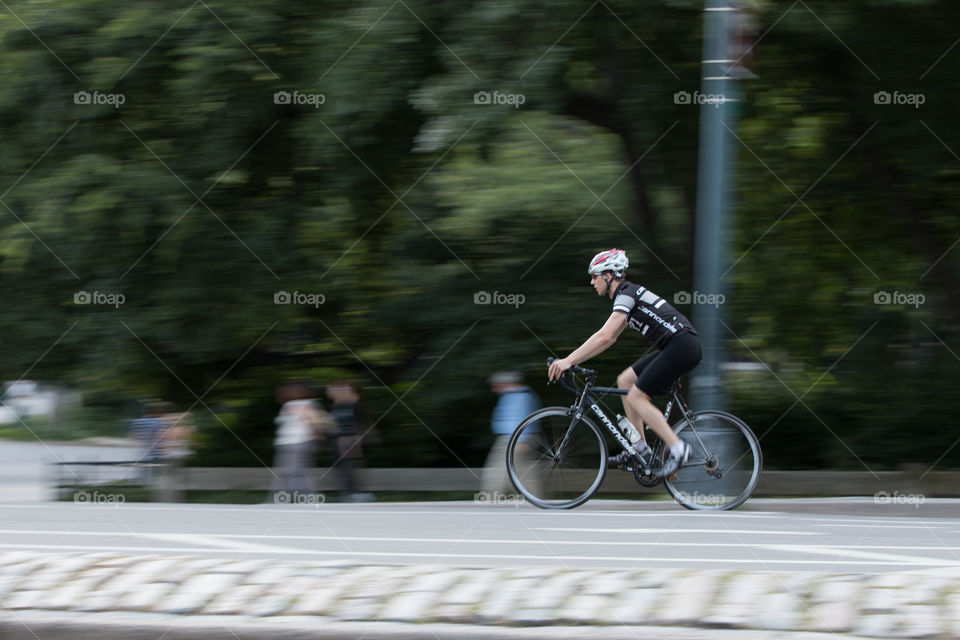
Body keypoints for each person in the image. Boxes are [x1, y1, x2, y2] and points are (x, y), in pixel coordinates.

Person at [547, 248, 702, 477]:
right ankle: (639, 449)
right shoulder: (628, 295)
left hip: (682, 346)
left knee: (636, 396)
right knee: (625, 380)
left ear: (608, 276)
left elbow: (605, 335)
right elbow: (609, 339)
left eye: (595, 276)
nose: (592, 282)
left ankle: (679, 448)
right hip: (676, 345)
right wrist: (574, 359)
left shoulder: (626, 294)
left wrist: (569, 360)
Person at [270, 382, 334, 503]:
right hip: (290, 442)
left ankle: (303, 497)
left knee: (293, 472)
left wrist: (317, 432)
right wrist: (318, 433)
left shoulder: (302, 404)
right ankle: (297, 497)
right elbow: (314, 421)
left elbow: (313, 420)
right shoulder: (292, 404)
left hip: (297, 442)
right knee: (293, 471)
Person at [483, 372, 540, 495]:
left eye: (497, 385)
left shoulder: (523, 396)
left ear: (507, 384)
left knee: (510, 476)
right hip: (507, 440)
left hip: (517, 441)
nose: (494, 389)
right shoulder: (509, 395)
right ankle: (533, 500)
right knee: (518, 475)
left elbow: (526, 419)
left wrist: (523, 441)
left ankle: (491, 500)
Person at [326, 380, 375, 502]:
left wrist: (357, 438)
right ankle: (348, 494)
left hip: (348, 439)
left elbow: (359, 423)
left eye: (332, 389)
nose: (329, 392)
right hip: (338, 440)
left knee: (349, 467)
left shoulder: (353, 404)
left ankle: (356, 494)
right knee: (342, 468)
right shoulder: (339, 405)